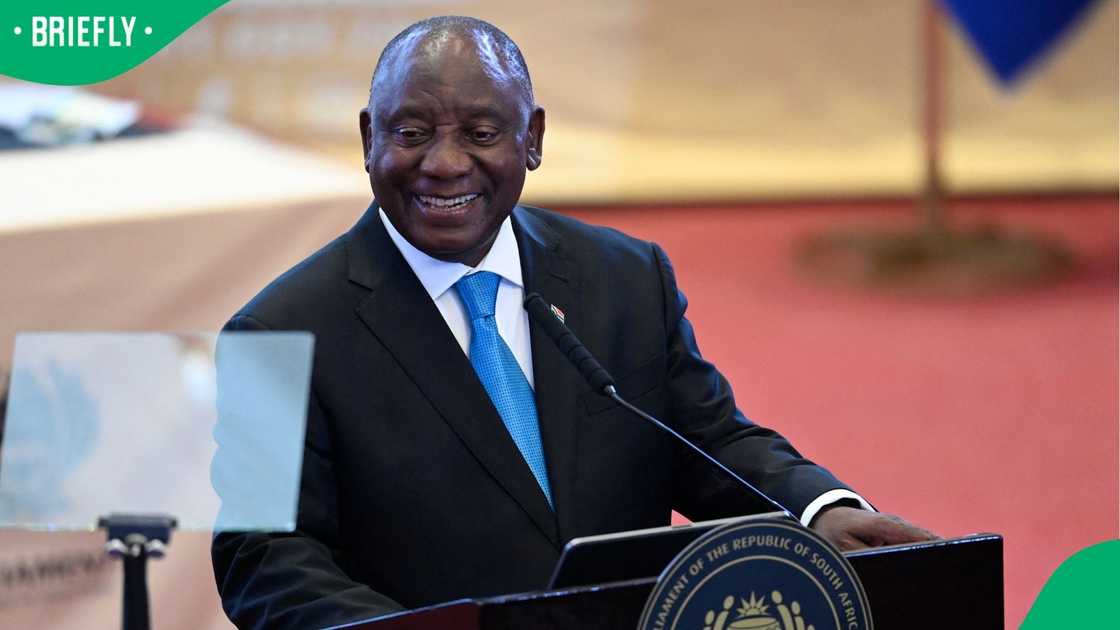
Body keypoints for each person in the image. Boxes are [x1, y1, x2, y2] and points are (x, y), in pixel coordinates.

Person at [211, 16, 936, 630]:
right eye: (412, 131)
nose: (444, 163)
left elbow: (706, 441)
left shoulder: (625, 278)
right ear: (370, 137)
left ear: (532, 139)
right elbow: (265, 557)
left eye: (482, 132)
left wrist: (816, 511)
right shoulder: (276, 334)